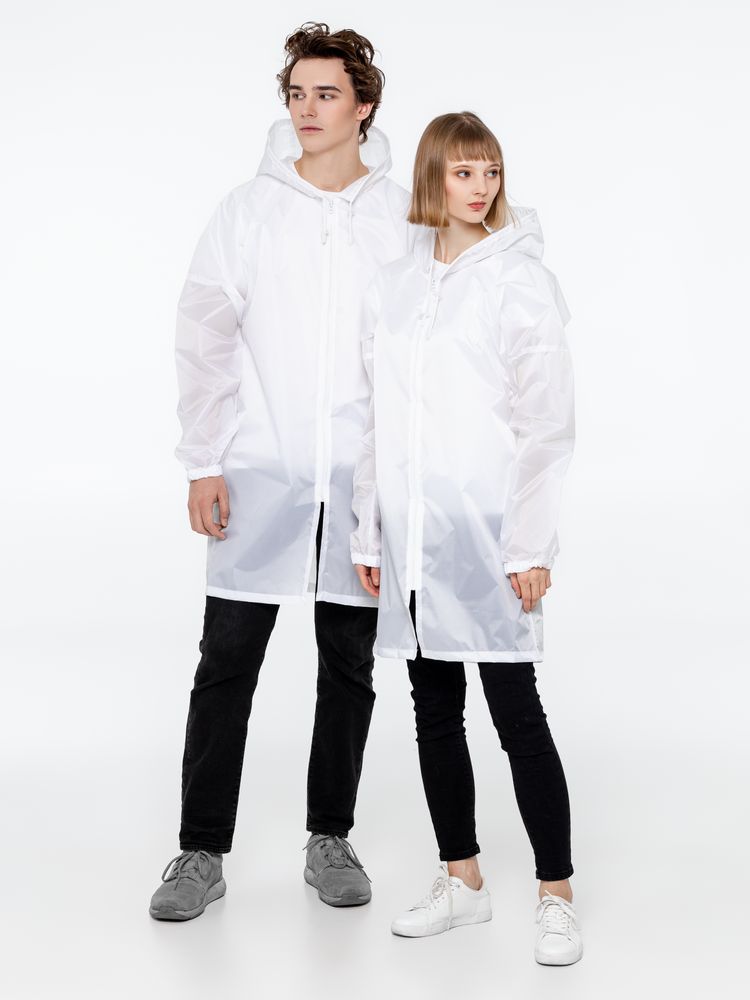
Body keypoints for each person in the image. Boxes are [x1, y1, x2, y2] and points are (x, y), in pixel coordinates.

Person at [149, 22, 412, 922]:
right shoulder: (248, 211)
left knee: (349, 663)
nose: (308, 109)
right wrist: (204, 460)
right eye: (297, 94)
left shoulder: (401, 216)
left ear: (363, 106)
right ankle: (199, 850)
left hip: (364, 482)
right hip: (261, 469)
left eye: (326, 94)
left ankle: (329, 836)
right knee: (227, 659)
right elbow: (204, 336)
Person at [351, 112, 582, 964]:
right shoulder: (397, 285)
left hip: (488, 534)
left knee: (517, 713)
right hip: (414, 540)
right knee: (434, 713)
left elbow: (546, 425)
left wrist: (530, 546)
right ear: (431, 179)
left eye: (490, 172)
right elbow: (374, 415)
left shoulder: (519, 280)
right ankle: (464, 880)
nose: (481, 188)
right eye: (463, 173)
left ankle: (555, 894)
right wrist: (369, 529)